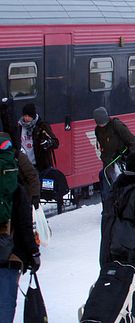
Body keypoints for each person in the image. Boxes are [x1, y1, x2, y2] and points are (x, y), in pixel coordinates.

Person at [99, 153, 135, 323]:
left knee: (118, 280)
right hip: (134, 245)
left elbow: (107, 216)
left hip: (113, 242)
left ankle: (117, 314)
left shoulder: (115, 187)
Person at [0, 133, 40, 323]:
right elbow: (24, 226)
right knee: (6, 304)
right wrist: (34, 253)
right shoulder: (16, 190)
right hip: (10, 255)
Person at [93, 107, 135, 201]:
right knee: (107, 186)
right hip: (108, 162)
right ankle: (108, 209)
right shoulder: (97, 130)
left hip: (121, 159)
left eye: (103, 123)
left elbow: (131, 141)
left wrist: (133, 158)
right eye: (99, 123)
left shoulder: (116, 125)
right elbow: (101, 147)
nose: (102, 125)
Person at [16, 103, 58, 173]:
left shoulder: (42, 126)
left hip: (40, 165)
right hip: (24, 165)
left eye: (28, 116)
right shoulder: (19, 126)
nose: (26, 118)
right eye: (24, 116)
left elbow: (56, 142)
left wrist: (47, 143)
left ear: (33, 116)